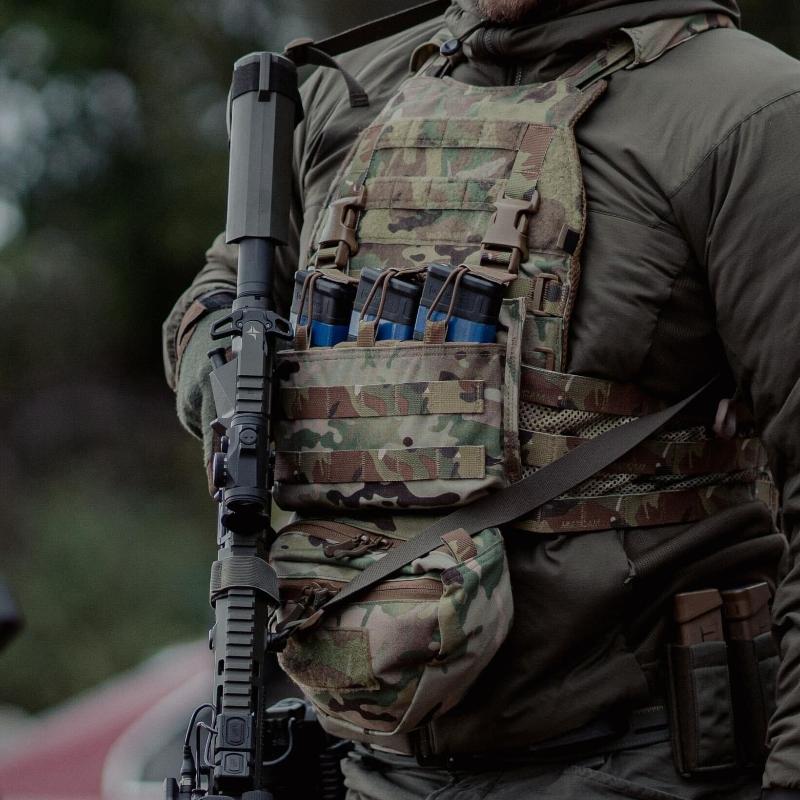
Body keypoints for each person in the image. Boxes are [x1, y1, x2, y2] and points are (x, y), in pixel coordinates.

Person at [163, 0, 800, 797]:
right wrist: (232, 375)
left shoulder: (751, 112)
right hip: (366, 767)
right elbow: (223, 288)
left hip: (642, 765)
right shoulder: (345, 89)